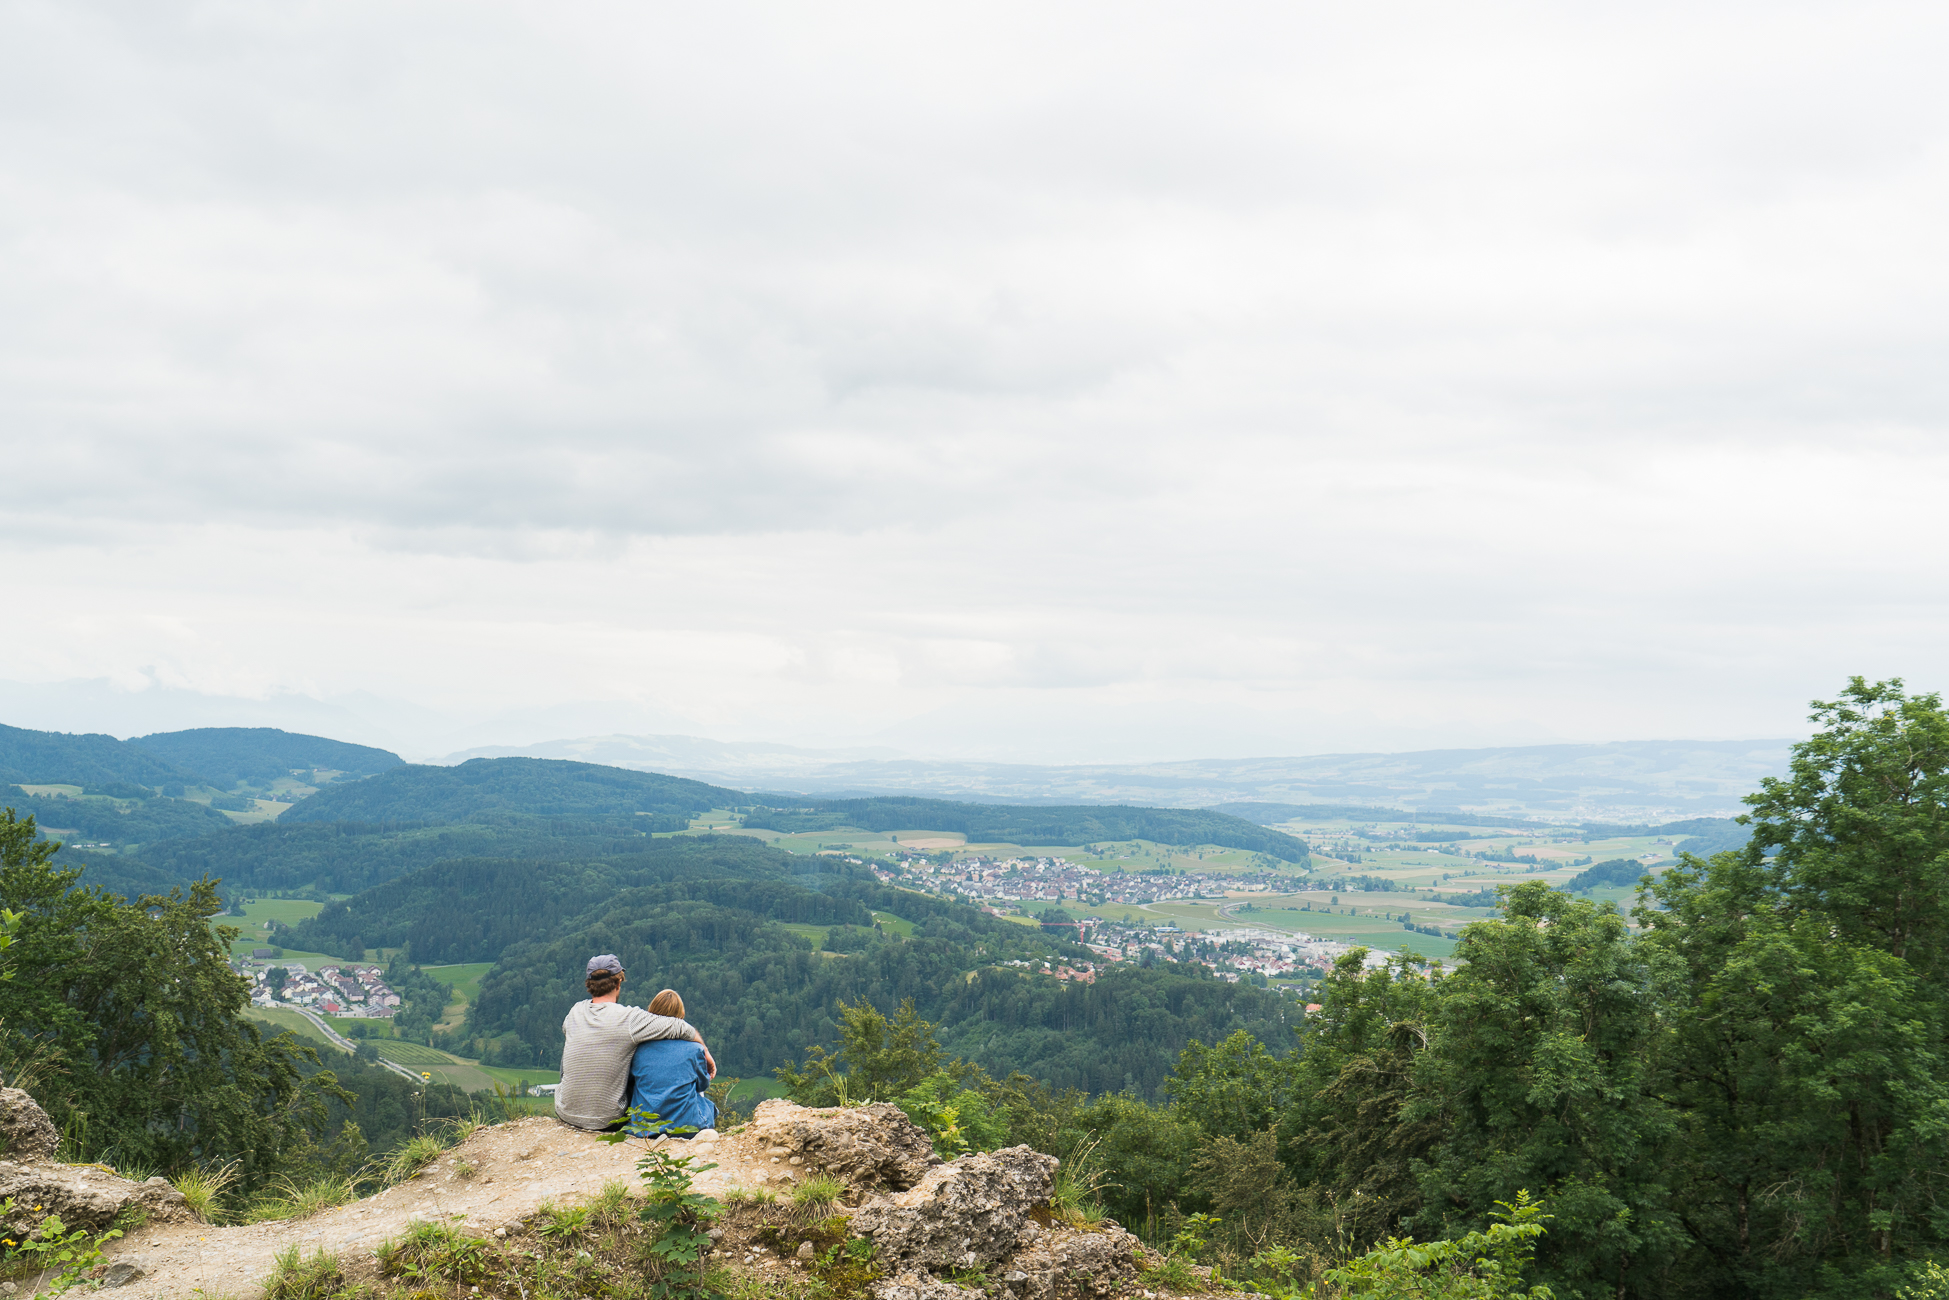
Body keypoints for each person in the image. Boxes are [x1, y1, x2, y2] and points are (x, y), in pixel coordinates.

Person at [556, 954, 717, 1131]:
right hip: (608, 1120)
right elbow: (680, 1027)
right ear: (618, 984)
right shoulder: (629, 1019)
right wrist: (705, 1052)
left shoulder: (574, 1012)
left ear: (589, 984)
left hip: (565, 1113)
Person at [625, 989, 718, 1137]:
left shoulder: (638, 1051)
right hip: (686, 1125)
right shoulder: (695, 1050)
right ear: (681, 1015)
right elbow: (702, 1085)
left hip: (644, 1127)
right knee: (708, 1106)